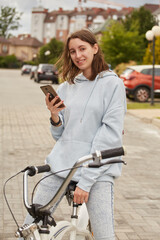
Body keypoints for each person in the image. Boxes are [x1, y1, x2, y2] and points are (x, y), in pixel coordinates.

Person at [24, 28, 126, 240]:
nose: (78, 55)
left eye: (82, 49)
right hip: (62, 165)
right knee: (29, 229)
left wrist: (86, 182)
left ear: (95, 49)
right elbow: (60, 136)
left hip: (97, 170)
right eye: (72, 51)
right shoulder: (65, 87)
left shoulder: (113, 85)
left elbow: (109, 134)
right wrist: (54, 115)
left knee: (104, 235)